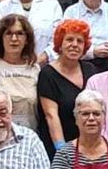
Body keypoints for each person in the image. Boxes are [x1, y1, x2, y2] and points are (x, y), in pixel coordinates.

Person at [38, 18, 100, 154]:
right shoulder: (48, 74)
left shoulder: (90, 70)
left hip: (87, 148)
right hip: (58, 145)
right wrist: (62, 150)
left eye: (79, 41)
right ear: (60, 44)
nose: (74, 45)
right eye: (69, 40)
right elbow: (51, 115)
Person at [0, 14, 42, 130]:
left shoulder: (34, 69)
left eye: (20, 34)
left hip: (29, 135)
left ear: (27, 40)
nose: (14, 39)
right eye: (9, 33)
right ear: (1, 38)